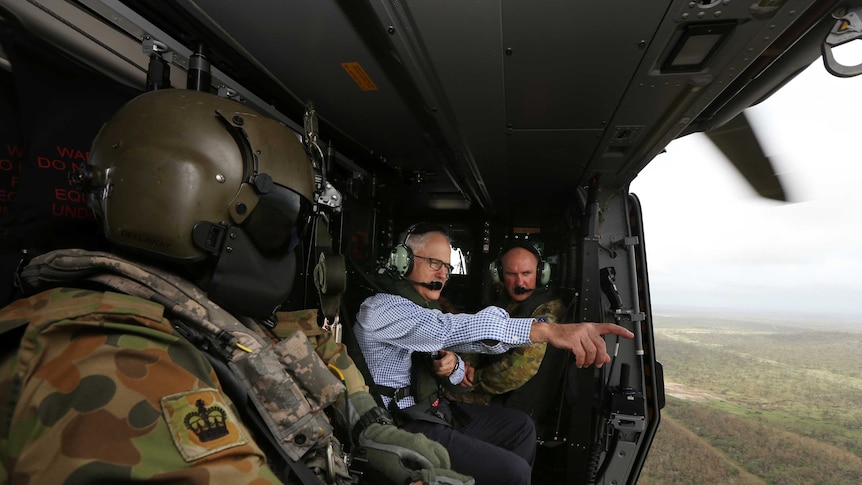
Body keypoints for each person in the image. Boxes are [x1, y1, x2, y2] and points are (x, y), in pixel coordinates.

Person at [0, 89, 471, 485]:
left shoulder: (197, 309)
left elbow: (311, 347)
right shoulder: (110, 358)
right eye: (279, 223)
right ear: (196, 211)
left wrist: (367, 425)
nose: (290, 248)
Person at [354, 225, 634, 485]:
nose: (442, 275)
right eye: (434, 263)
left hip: (431, 408)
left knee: (521, 427)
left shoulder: (422, 309)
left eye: (447, 268)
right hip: (402, 421)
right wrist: (546, 331)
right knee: (515, 472)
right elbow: (447, 330)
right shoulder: (381, 309)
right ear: (403, 260)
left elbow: (453, 353)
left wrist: (452, 366)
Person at [449, 240, 566, 405]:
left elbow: (519, 370)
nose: (519, 282)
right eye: (511, 274)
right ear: (500, 274)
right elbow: (479, 332)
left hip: (509, 398)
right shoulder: (505, 301)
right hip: (488, 384)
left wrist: (473, 378)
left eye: (526, 273)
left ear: (541, 274)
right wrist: (467, 363)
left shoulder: (546, 311)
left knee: (441, 395)